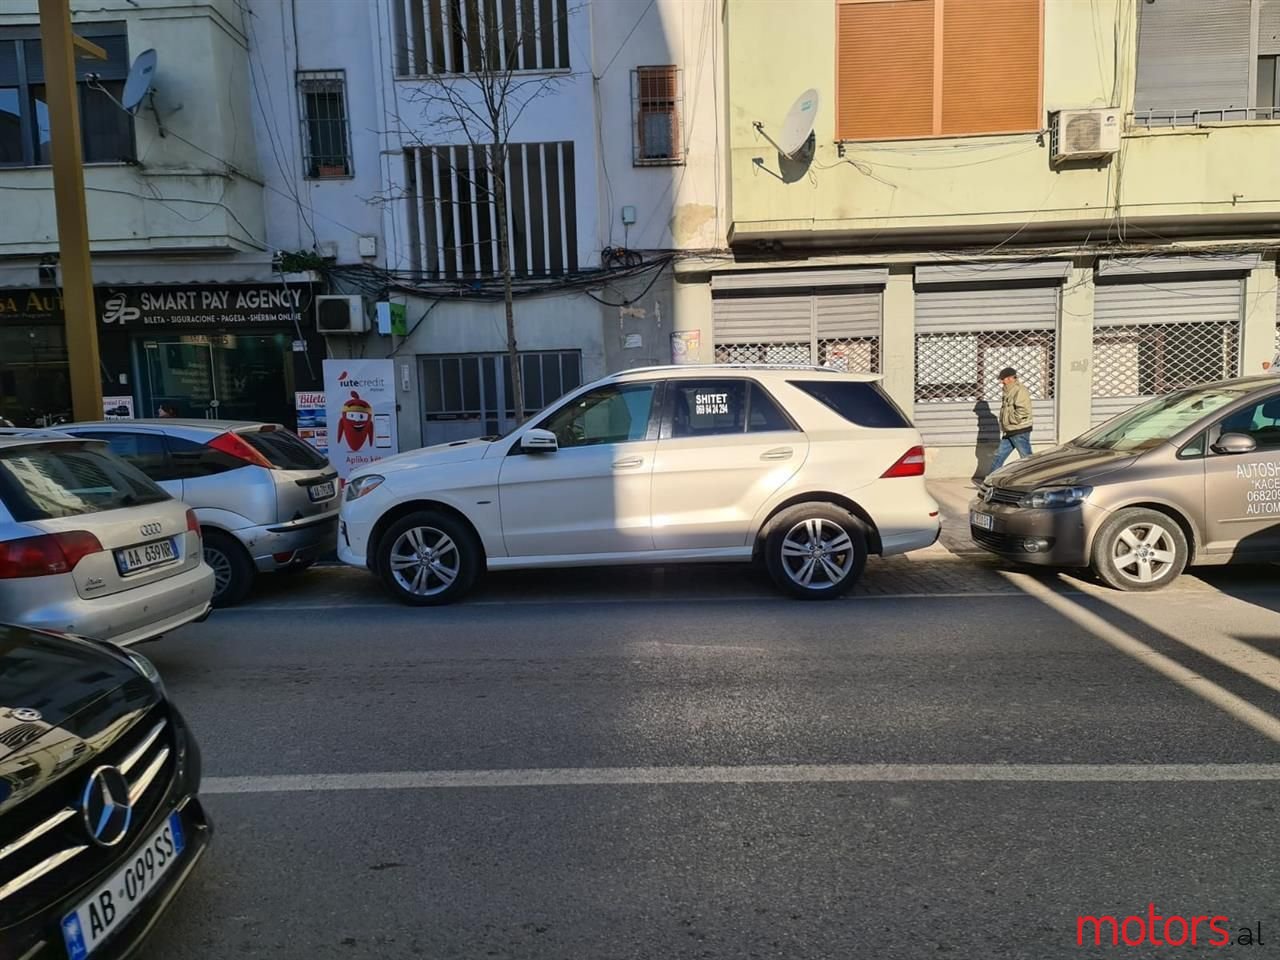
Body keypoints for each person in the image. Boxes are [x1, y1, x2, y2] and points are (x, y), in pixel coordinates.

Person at [988, 367, 1033, 475]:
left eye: (1002, 379)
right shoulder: (1009, 390)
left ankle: (1034, 478)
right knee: (999, 454)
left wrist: (1012, 421)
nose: (1001, 382)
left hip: (1018, 429)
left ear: (1009, 378)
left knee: (1026, 457)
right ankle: (990, 479)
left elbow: (1023, 410)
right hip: (1010, 429)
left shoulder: (1019, 390)